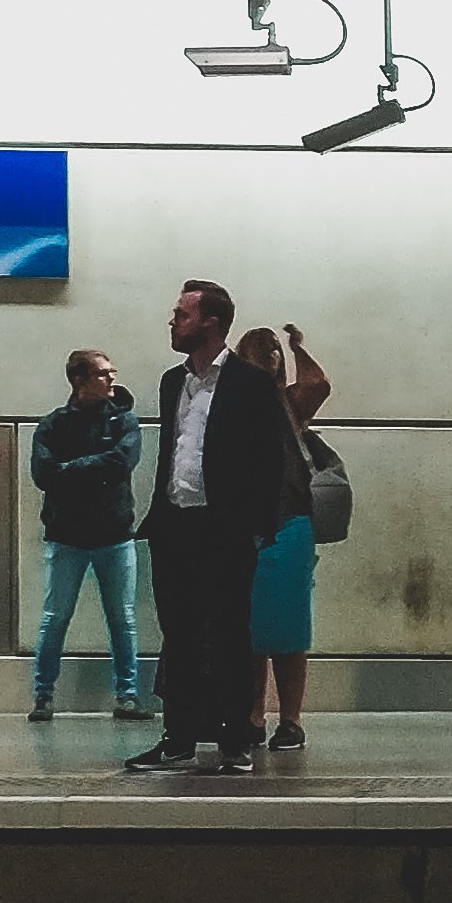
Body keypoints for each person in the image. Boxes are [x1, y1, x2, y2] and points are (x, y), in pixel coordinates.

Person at [129, 275, 308, 783]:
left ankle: (236, 739)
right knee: (179, 635)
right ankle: (179, 738)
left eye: (181, 314)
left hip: (225, 529)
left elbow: (270, 461)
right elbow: (174, 452)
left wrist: (256, 528)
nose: (172, 320)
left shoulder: (249, 385)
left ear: (210, 322)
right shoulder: (172, 382)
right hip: (175, 526)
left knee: (230, 635)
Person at [29, 346, 149, 724]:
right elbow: (42, 473)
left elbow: (120, 463)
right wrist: (91, 470)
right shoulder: (54, 424)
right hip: (70, 536)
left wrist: (71, 469)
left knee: (121, 619)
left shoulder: (123, 421)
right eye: (103, 373)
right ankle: (44, 696)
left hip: (112, 534)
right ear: (80, 380)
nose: (112, 378)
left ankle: (127, 696)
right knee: (56, 617)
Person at [237, 322, 332, 751]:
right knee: (250, 632)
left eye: (271, 352)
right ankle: (253, 715)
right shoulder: (233, 403)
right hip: (248, 527)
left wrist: (298, 348)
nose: (269, 355)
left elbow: (317, 383)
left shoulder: (288, 405)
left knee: (288, 630)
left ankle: (288, 719)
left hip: (288, 522)